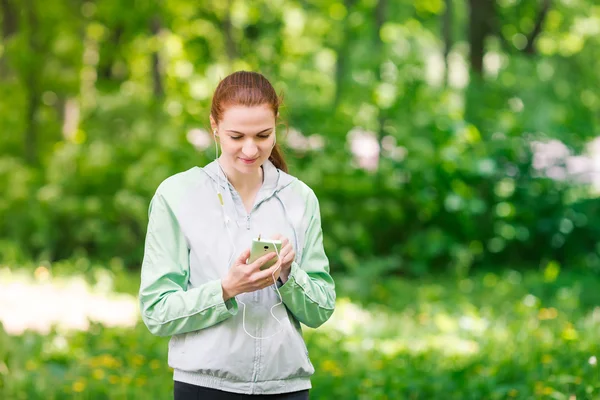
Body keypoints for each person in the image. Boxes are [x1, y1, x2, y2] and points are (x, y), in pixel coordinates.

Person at [138, 71, 336, 400]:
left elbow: (321, 309)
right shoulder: (177, 195)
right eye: (236, 136)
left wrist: (288, 274)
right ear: (214, 127)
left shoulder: (299, 199)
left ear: (277, 127)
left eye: (262, 135)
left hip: (286, 388)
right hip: (205, 387)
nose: (250, 148)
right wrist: (227, 289)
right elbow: (157, 312)